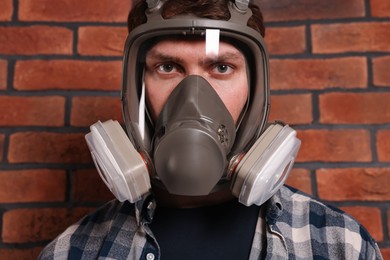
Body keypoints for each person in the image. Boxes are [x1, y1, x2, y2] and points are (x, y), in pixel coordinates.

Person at [39, 0, 383, 259]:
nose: (192, 97)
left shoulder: (342, 245)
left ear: (256, 89)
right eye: (168, 66)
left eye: (221, 66)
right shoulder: (71, 252)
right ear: (136, 88)